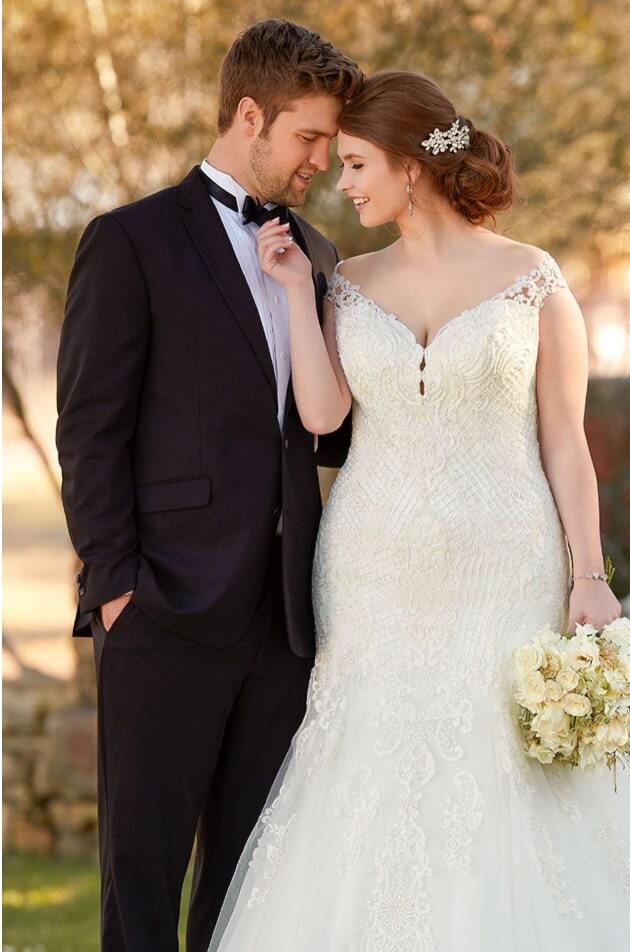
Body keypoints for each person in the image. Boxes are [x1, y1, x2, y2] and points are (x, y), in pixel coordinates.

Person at [208, 71, 630, 950]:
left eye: (355, 163)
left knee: (505, 764)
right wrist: (292, 298)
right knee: (367, 756)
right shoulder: (342, 279)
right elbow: (321, 416)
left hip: (505, 562)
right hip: (371, 566)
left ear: (411, 166)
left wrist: (588, 576)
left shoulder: (531, 280)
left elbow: (566, 445)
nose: (343, 184)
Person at [55, 18, 361, 951]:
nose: (319, 160)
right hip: (162, 607)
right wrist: (116, 589)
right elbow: (89, 427)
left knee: (249, 880)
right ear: (248, 114)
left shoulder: (317, 254)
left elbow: (332, 427)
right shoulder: (131, 240)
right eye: (308, 136)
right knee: (141, 876)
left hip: (283, 616)